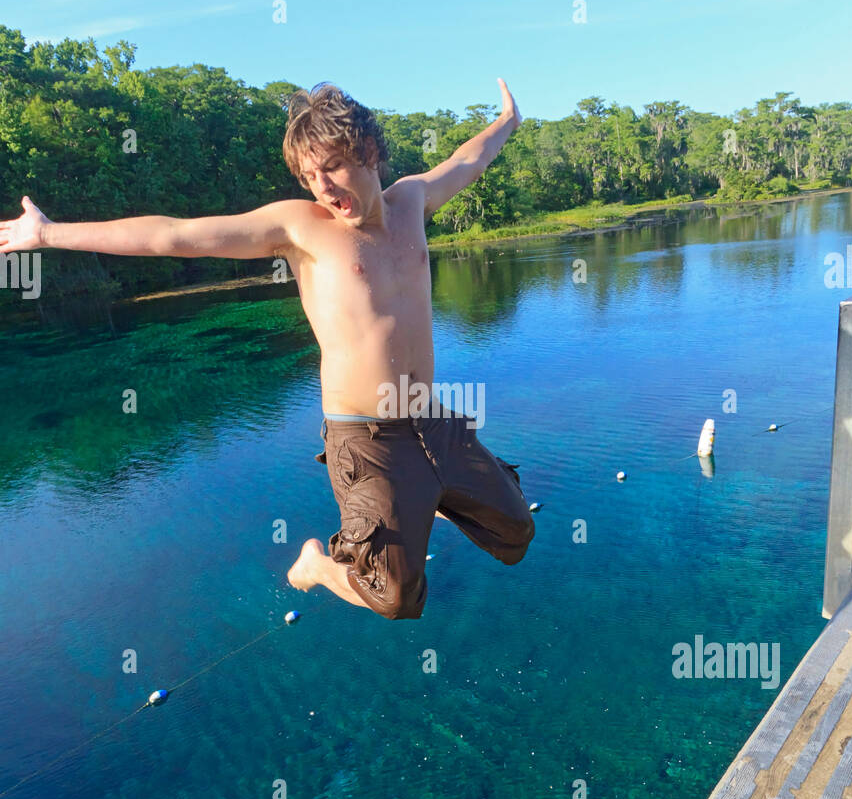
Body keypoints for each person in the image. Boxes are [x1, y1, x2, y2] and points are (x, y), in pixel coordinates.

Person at [0, 78, 535, 619]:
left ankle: (428, 494)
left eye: (331, 167)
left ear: (370, 151)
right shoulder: (299, 228)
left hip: (428, 418)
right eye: (308, 176)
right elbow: (173, 235)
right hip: (368, 438)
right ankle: (317, 565)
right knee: (395, 598)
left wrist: (508, 120)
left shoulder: (412, 201)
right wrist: (48, 235)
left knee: (516, 533)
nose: (321, 187)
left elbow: (469, 160)